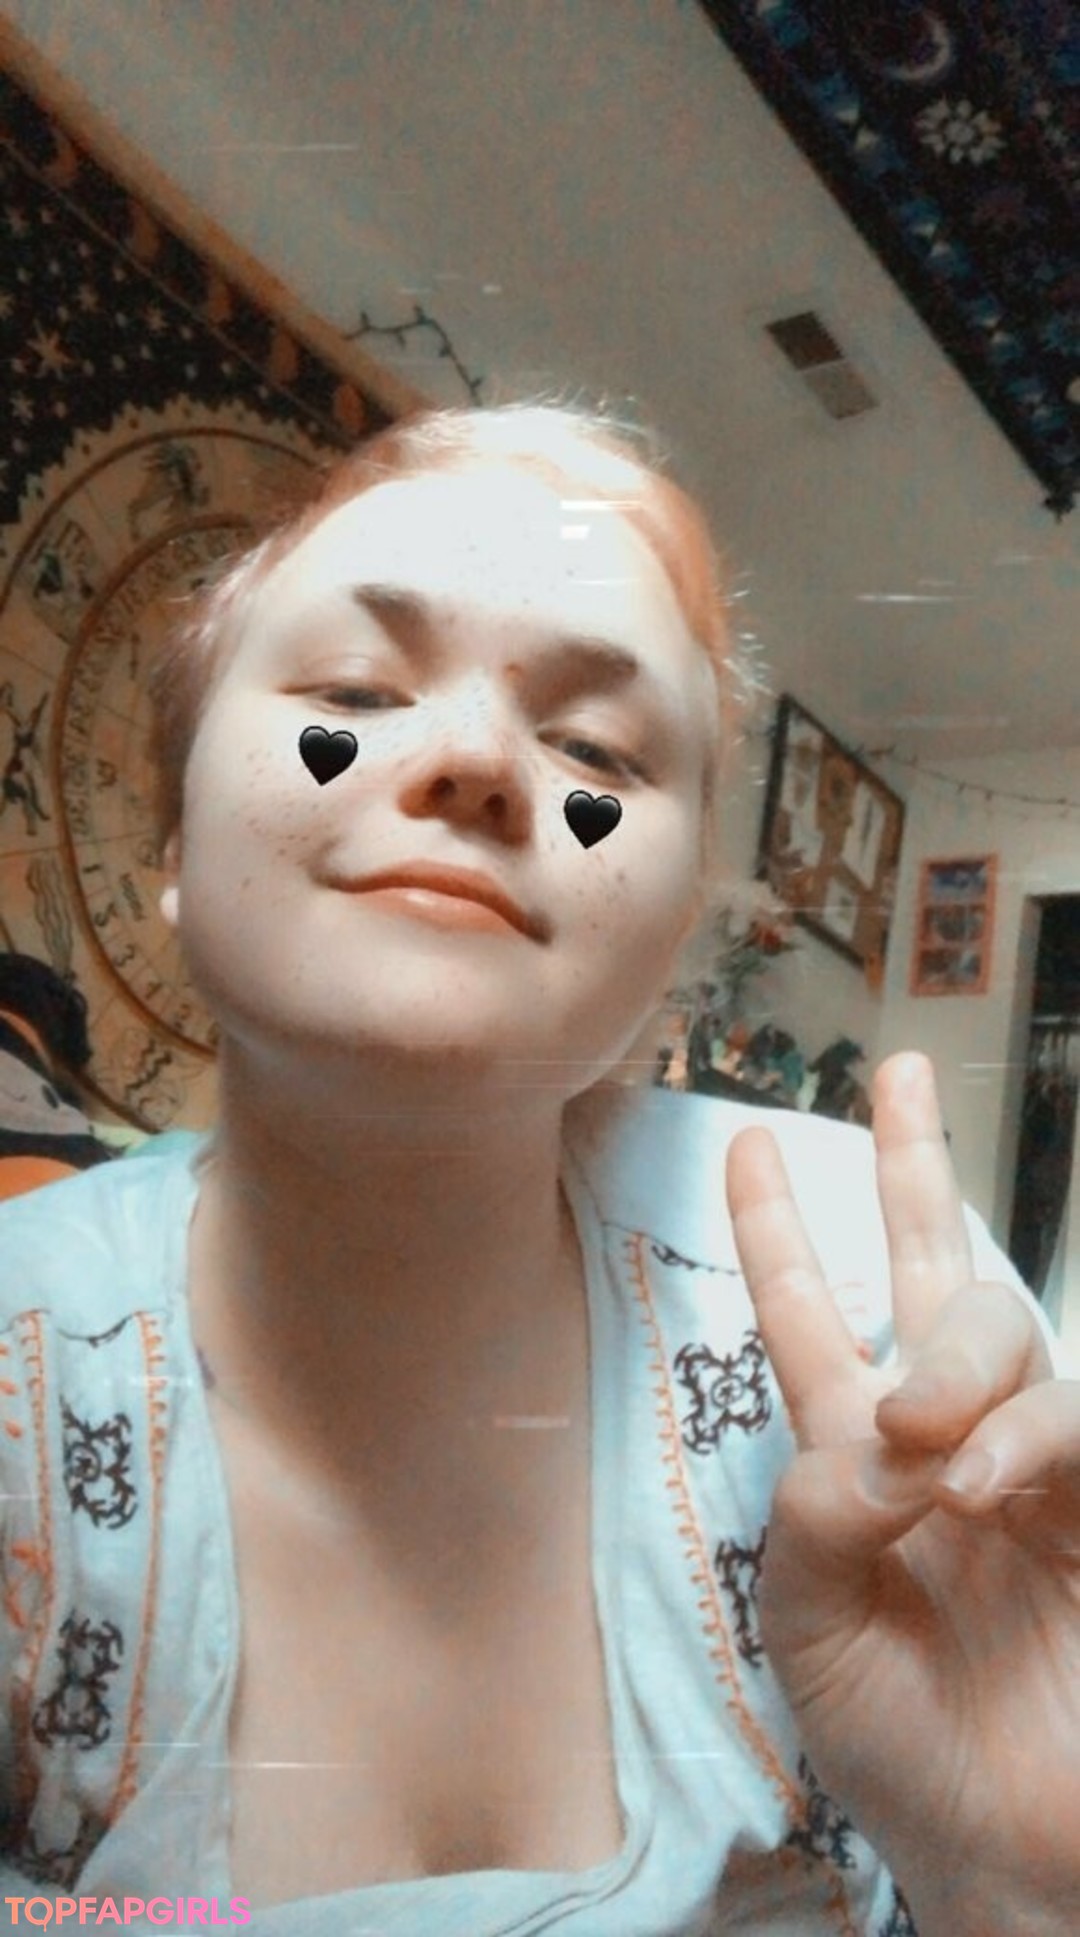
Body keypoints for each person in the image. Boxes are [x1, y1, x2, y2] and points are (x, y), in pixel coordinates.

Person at [0, 401, 1077, 1937]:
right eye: (355, 693)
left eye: (595, 753)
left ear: (671, 946)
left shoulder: (850, 1301)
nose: (474, 761)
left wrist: (1016, 1890)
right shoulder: (25, 1383)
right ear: (171, 839)